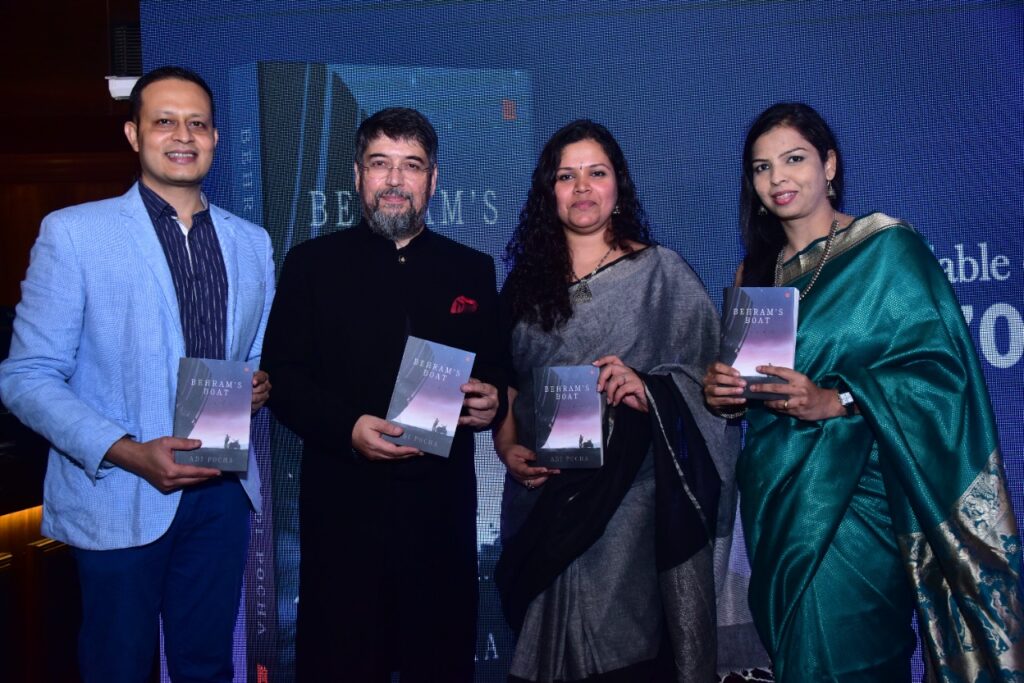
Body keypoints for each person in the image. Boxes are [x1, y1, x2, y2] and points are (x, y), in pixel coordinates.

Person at [703, 102, 1024, 681]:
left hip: (859, 503)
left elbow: (941, 374)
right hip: (778, 499)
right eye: (761, 168)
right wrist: (720, 391)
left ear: (829, 164)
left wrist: (838, 399)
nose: (778, 179)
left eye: (794, 159)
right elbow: (744, 385)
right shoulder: (754, 274)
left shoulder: (886, 249)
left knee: (852, 656)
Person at [0, 66, 275, 682]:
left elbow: (250, 356)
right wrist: (127, 452)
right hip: (120, 492)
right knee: (118, 668)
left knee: (206, 666)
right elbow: (26, 376)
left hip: (222, 494)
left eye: (198, 123)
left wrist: (257, 386)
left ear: (216, 138)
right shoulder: (74, 235)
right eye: (165, 121)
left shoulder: (251, 243)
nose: (184, 135)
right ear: (133, 134)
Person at [260, 106, 505, 681]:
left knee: (439, 665)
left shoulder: (472, 269)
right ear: (357, 175)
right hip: (342, 520)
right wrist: (348, 428)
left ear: (433, 180)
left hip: (439, 523)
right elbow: (282, 379)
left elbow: (498, 369)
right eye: (380, 164)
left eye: (411, 166)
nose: (395, 181)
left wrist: (495, 401)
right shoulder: (310, 265)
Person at [494, 119, 738, 682]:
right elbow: (508, 382)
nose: (581, 188)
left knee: (627, 654)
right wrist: (507, 446)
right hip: (543, 503)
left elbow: (714, 387)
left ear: (617, 186)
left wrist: (650, 389)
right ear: (547, 192)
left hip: (633, 506)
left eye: (596, 173)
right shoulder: (526, 288)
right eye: (566, 175)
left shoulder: (662, 276)